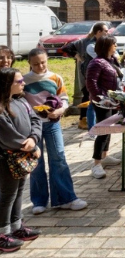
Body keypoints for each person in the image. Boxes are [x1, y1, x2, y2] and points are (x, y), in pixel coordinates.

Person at [23, 49, 87, 214]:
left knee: (58, 158)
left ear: (47, 60)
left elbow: (64, 98)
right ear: (29, 63)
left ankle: (65, 198)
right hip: (32, 127)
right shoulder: (24, 81)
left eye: (43, 62)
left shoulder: (55, 78)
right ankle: (39, 200)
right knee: (36, 163)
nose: (40, 66)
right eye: (36, 64)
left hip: (52, 123)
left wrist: (61, 110)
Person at [0, 67, 42, 252]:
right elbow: (7, 134)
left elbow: (35, 120)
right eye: (19, 81)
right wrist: (30, 148)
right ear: (8, 85)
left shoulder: (22, 100)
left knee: (19, 191)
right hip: (8, 157)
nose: (23, 83)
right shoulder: (1, 107)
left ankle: (16, 226)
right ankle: (2, 232)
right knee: (7, 194)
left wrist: (34, 138)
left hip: (22, 155)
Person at [86, 36, 123, 179]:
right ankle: (96, 164)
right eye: (114, 44)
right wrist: (102, 98)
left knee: (109, 129)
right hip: (103, 102)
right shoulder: (96, 63)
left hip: (113, 100)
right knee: (102, 130)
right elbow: (91, 84)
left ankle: (105, 155)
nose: (116, 46)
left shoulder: (111, 60)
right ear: (107, 46)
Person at [62, 22, 108, 133]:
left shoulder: (102, 42)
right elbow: (66, 48)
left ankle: (93, 120)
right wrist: (78, 56)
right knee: (87, 96)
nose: (107, 33)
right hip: (88, 73)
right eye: (105, 31)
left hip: (98, 73)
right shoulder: (86, 42)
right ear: (98, 32)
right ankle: (83, 119)